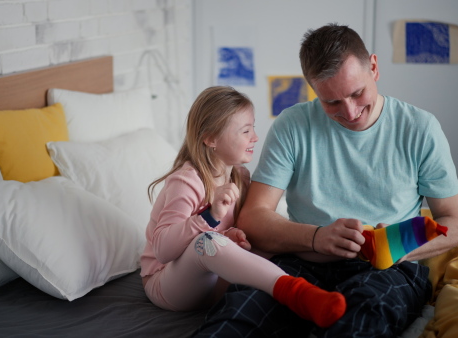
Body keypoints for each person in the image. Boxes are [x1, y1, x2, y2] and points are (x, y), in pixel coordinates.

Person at [192, 24, 458, 337]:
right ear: (313, 88)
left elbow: (456, 222)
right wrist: (316, 237)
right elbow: (254, 218)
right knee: (234, 318)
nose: (349, 112)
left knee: (359, 323)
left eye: (356, 93)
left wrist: (399, 244)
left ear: (374, 68)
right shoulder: (292, 125)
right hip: (302, 263)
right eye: (332, 102)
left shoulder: (420, 128)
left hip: (388, 269)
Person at [140, 86, 347, 328]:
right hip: (168, 285)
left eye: (253, 128)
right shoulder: (187, 181)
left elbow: (243, 234)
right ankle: (298, 294)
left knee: (272, 236)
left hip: (214, 283)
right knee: (206, 242)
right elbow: (164, 250)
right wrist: (209, 216)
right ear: (210, 138)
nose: (255, 137)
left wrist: (233, 236)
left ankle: (355, 247)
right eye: (245, 130)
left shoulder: (239, 177)